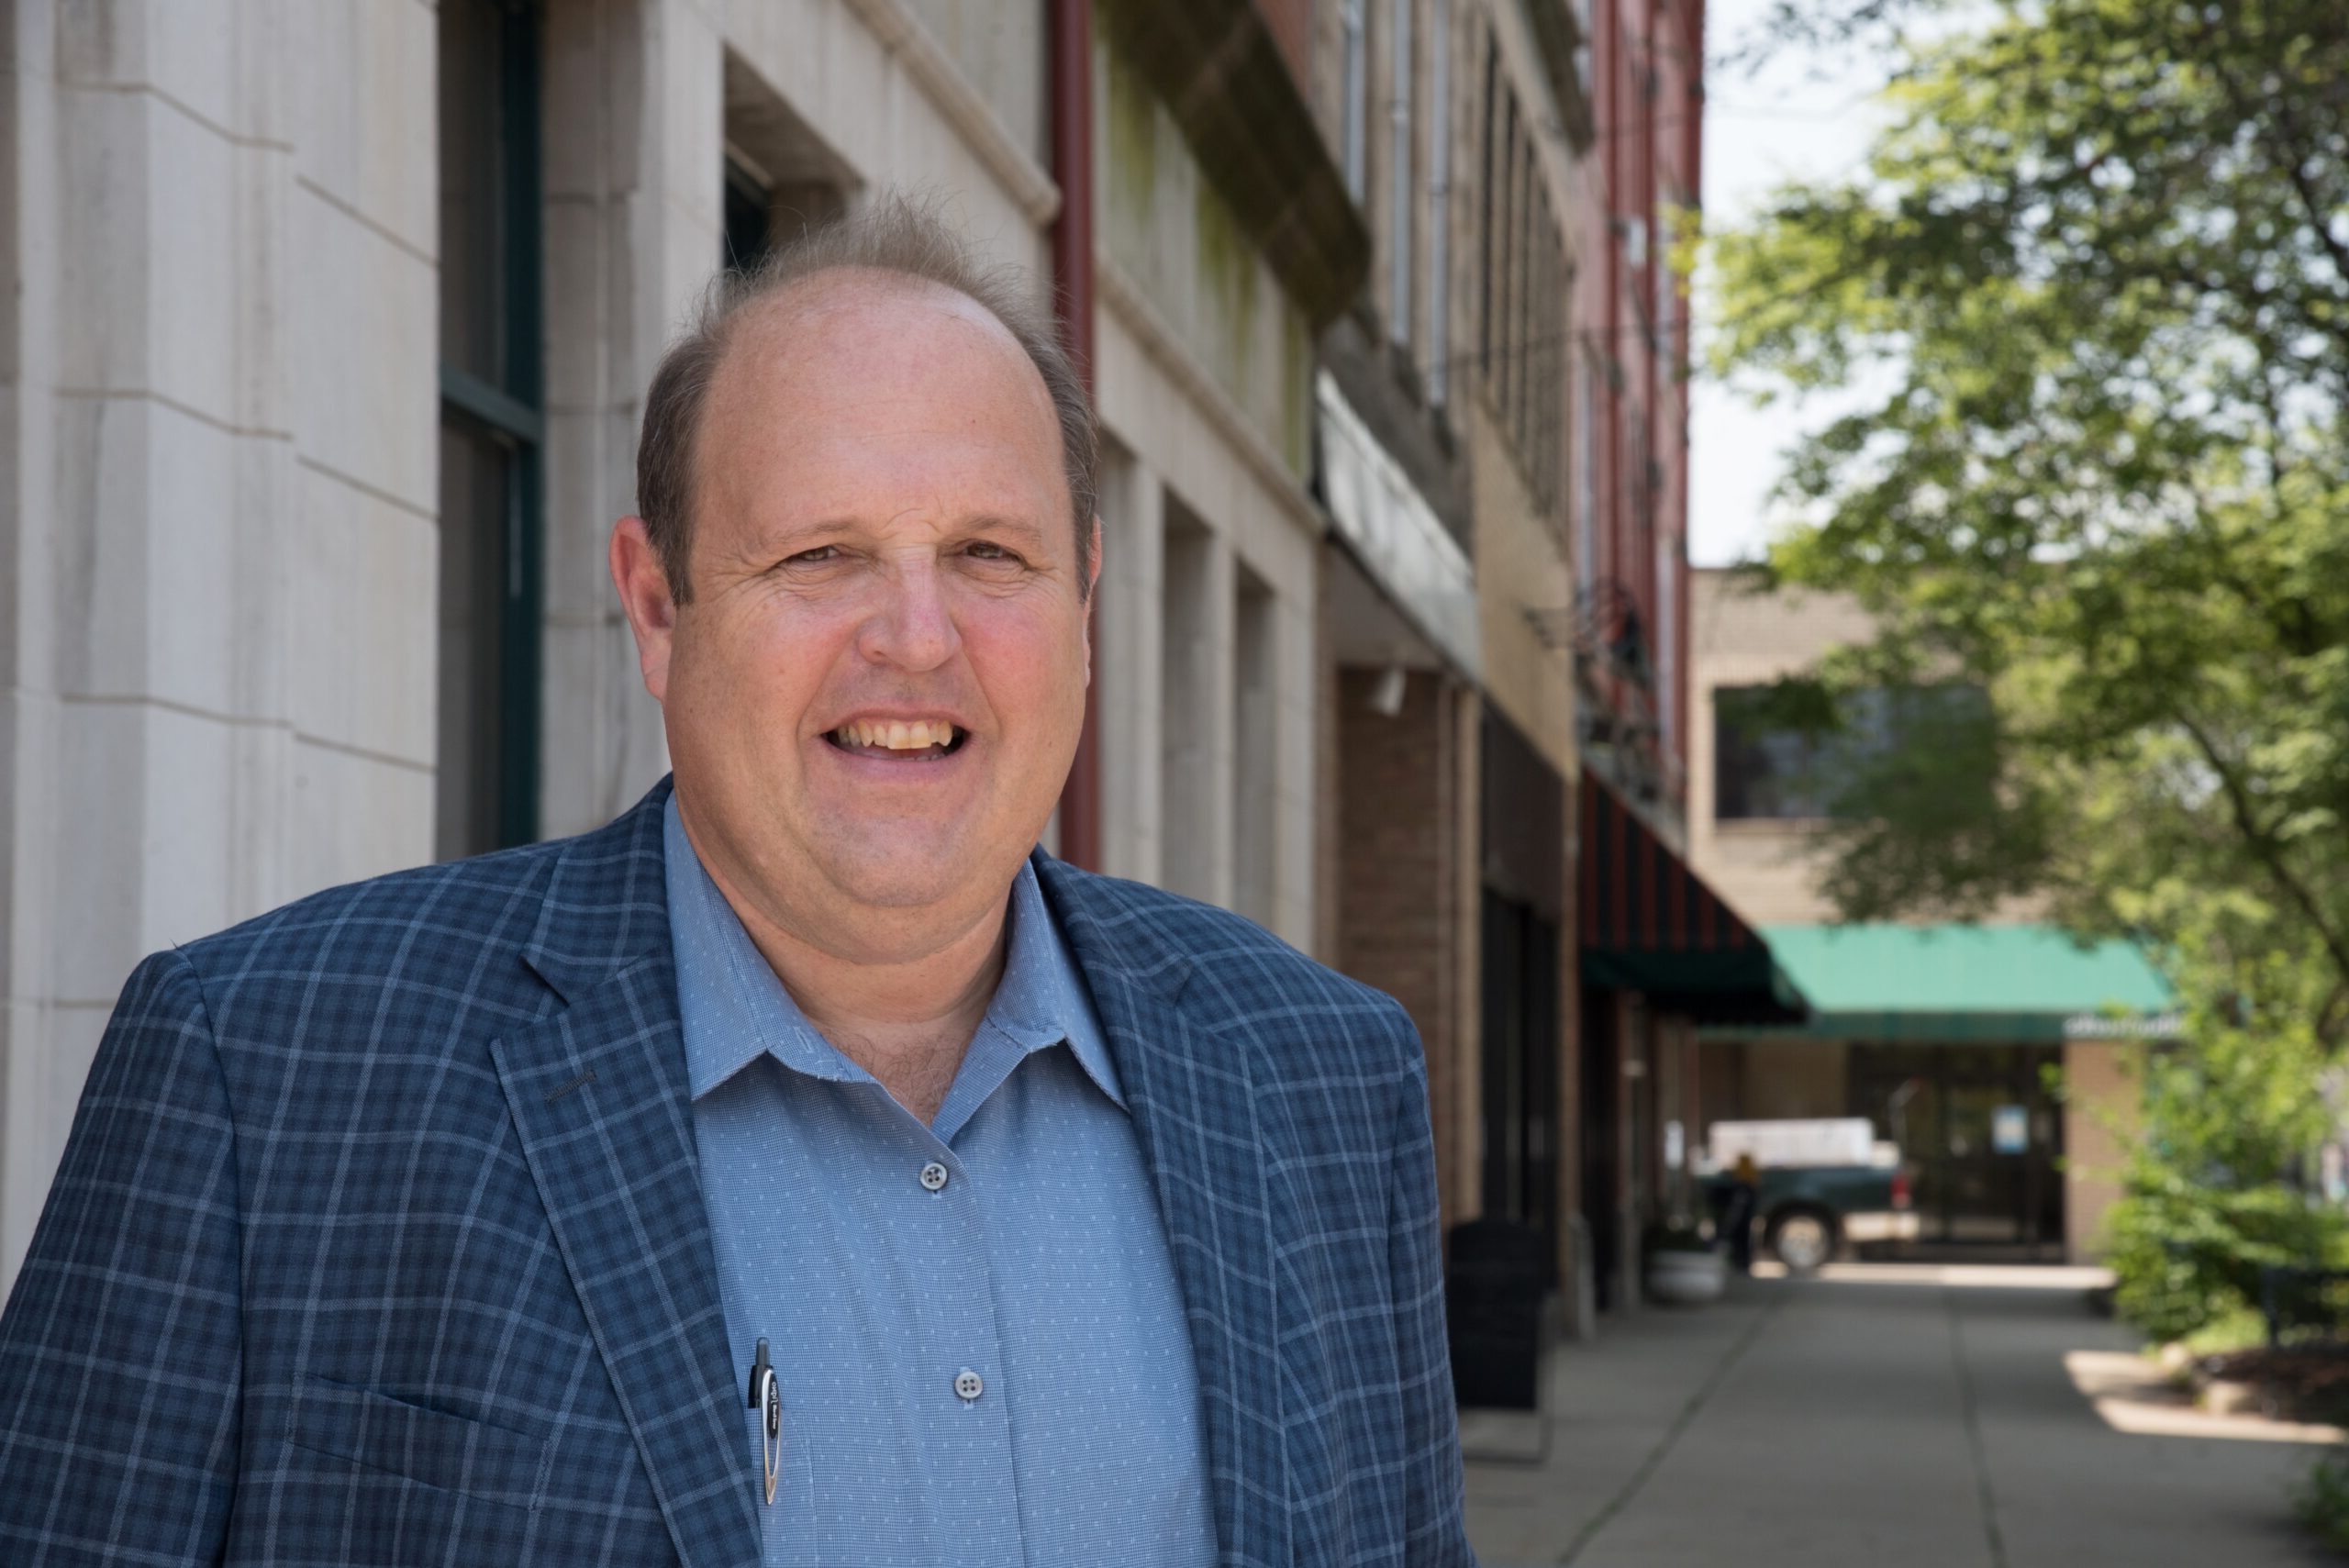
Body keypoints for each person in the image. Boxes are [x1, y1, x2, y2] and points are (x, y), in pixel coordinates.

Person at [0, 199, 1472, 1567]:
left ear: (1083, 602)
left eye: (988, 552)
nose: (915, 637)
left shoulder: (1322, 1080)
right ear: (658, 607)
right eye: (822, 553)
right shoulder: (269, 1071)